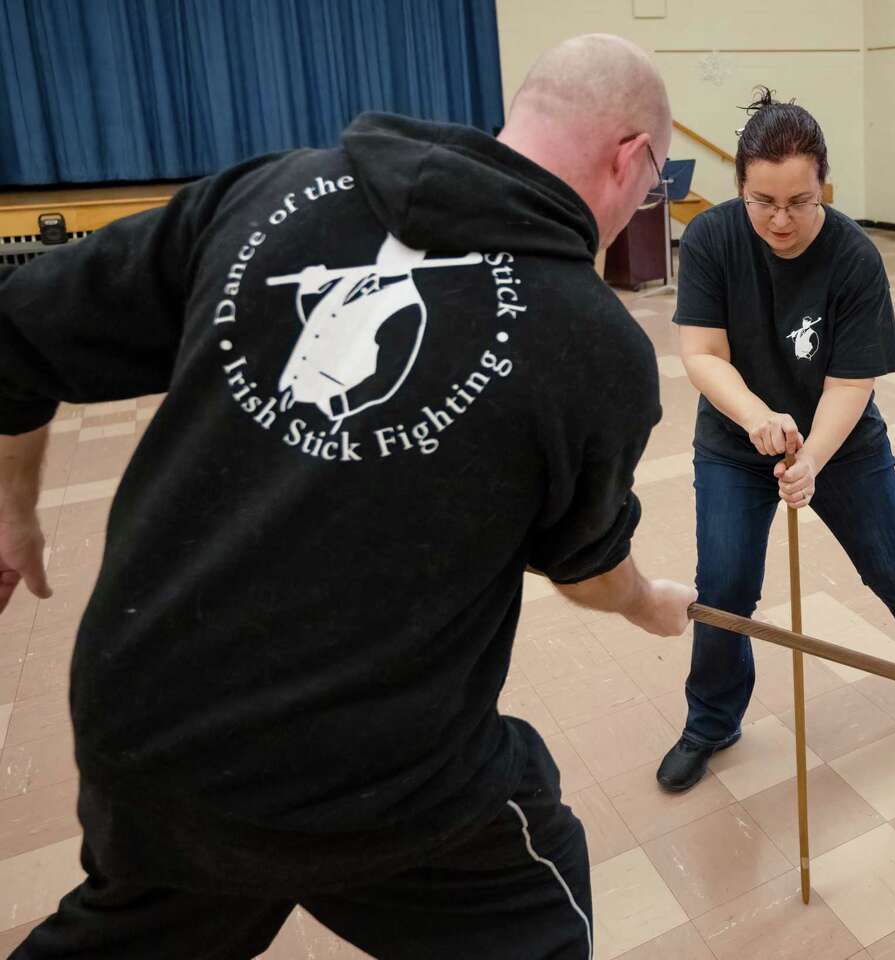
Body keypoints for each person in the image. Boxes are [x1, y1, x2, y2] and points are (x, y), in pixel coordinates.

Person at [0, 34, 695, 960]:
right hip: (375, 787)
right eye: (651, 186)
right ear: (628, 158)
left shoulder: (263, 192)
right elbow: (586, 568)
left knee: (167, 902)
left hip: (148, 740)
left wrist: (11, 508)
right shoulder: (596, 344)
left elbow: (17, 336)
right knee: (538, 911)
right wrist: (653, 608)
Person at [656, 89, 895, 793]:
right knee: (726, 586)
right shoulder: (710, 238)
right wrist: (759, 418)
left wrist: (812, 458)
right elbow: (701, 353)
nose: (781, 219)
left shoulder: (854, 257)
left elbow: (851, 386)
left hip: (842, 442)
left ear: (824, 183)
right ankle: (710, 721)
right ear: (740, 187)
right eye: (763, 200)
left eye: (800, 200)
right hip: (736, 440)